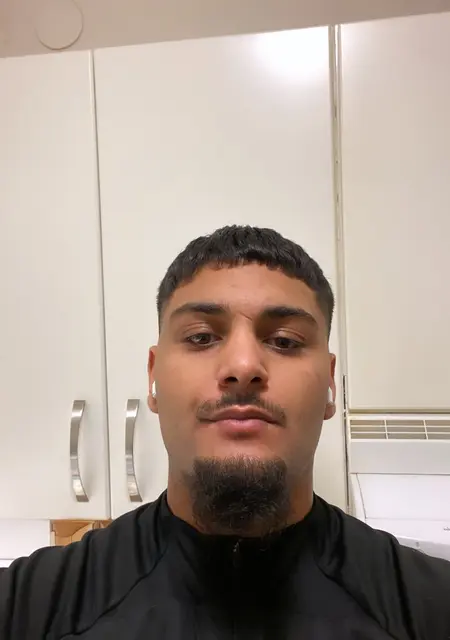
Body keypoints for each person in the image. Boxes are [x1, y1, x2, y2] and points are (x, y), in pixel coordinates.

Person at [1, 225, 449, 640]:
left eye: (285, 341)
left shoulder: (431, 609)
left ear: (331, 385)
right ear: (153, 378)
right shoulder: (25, 609)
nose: (243, 366)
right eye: (201, 337)